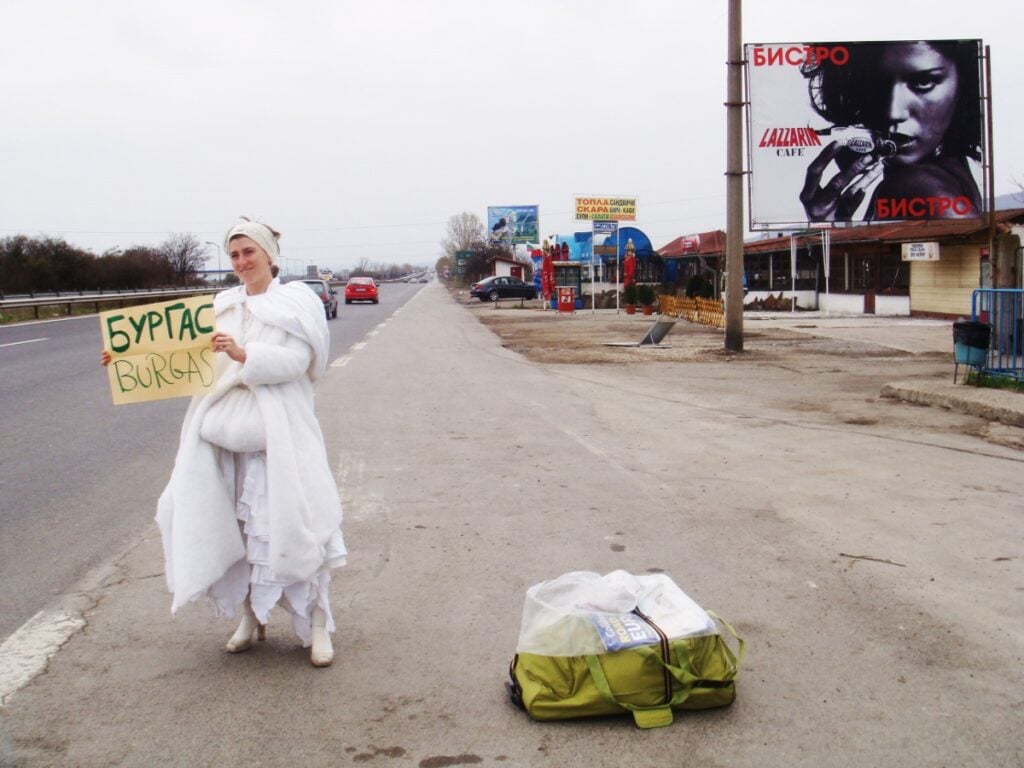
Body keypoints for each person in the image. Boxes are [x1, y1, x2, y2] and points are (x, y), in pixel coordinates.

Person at [102, 218, 346, 666]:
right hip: (226, 447)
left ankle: (316, 624)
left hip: (282, 442)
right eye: (233, 255)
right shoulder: (221, 304)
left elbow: (300, 361)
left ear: (270, 255)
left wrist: (245, 355)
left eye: (248, 252)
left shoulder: (295, 301)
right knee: (242, 533)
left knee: (296, 527)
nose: (241, 262)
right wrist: (126, 356)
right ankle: (252, 619)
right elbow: (185, 357)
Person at [799, 40, 983, 222]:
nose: (893, 112)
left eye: (923, 82)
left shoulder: (911, 187)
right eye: (877, 84)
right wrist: (837, 225)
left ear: (964, 83)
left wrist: (827, 232)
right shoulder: (954, 174)